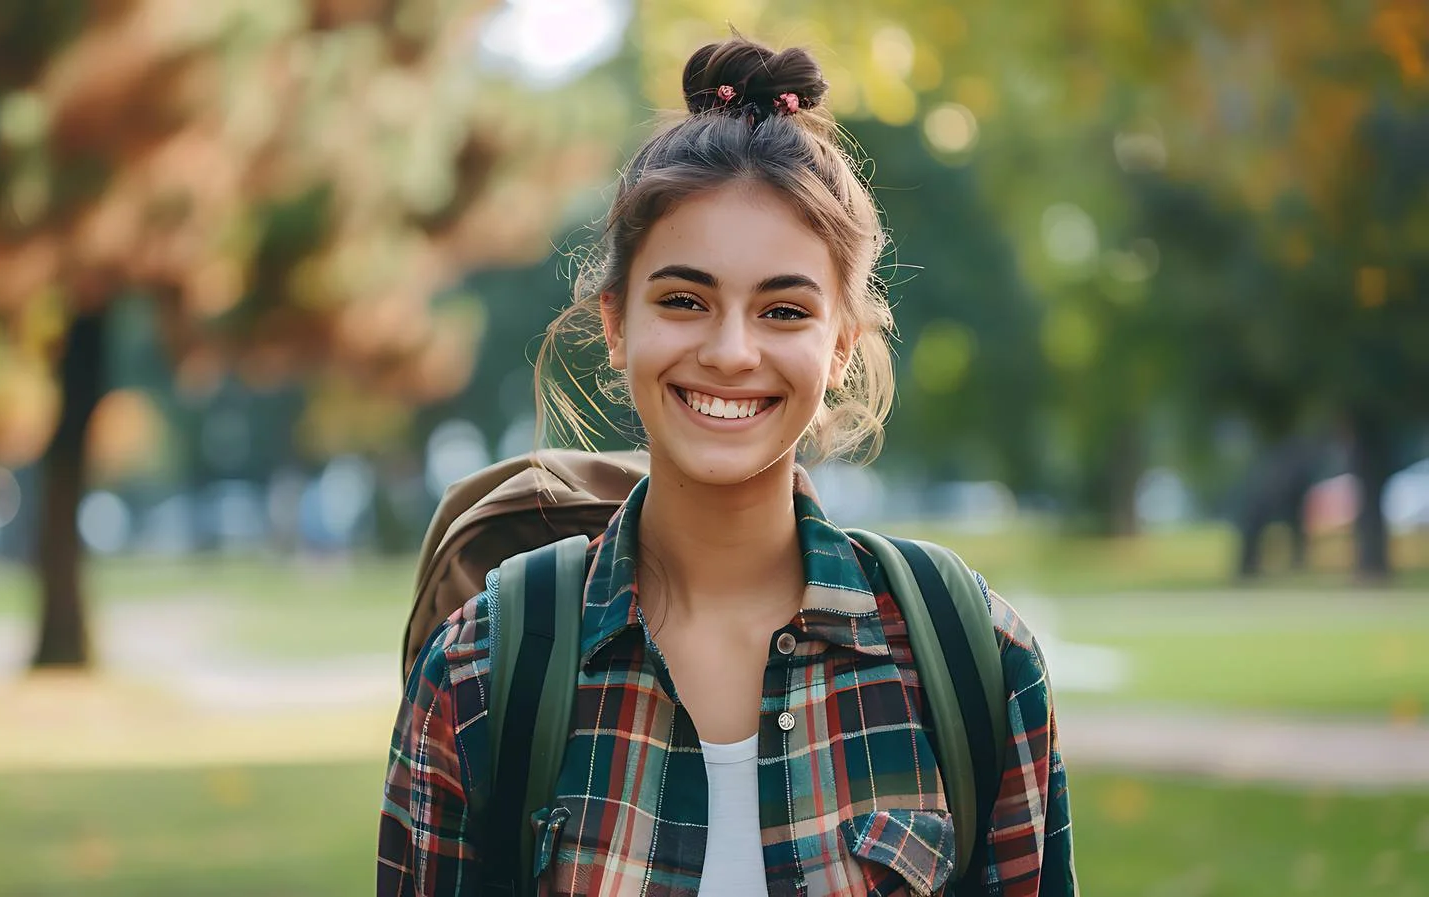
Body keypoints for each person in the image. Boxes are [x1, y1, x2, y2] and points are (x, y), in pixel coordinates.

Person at [379, 35, 1076, 896]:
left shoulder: (973, 659)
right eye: (683, 300)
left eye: (784, 309)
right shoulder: (478, 672)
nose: (732, 350)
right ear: (617, 322)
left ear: (841, 348)